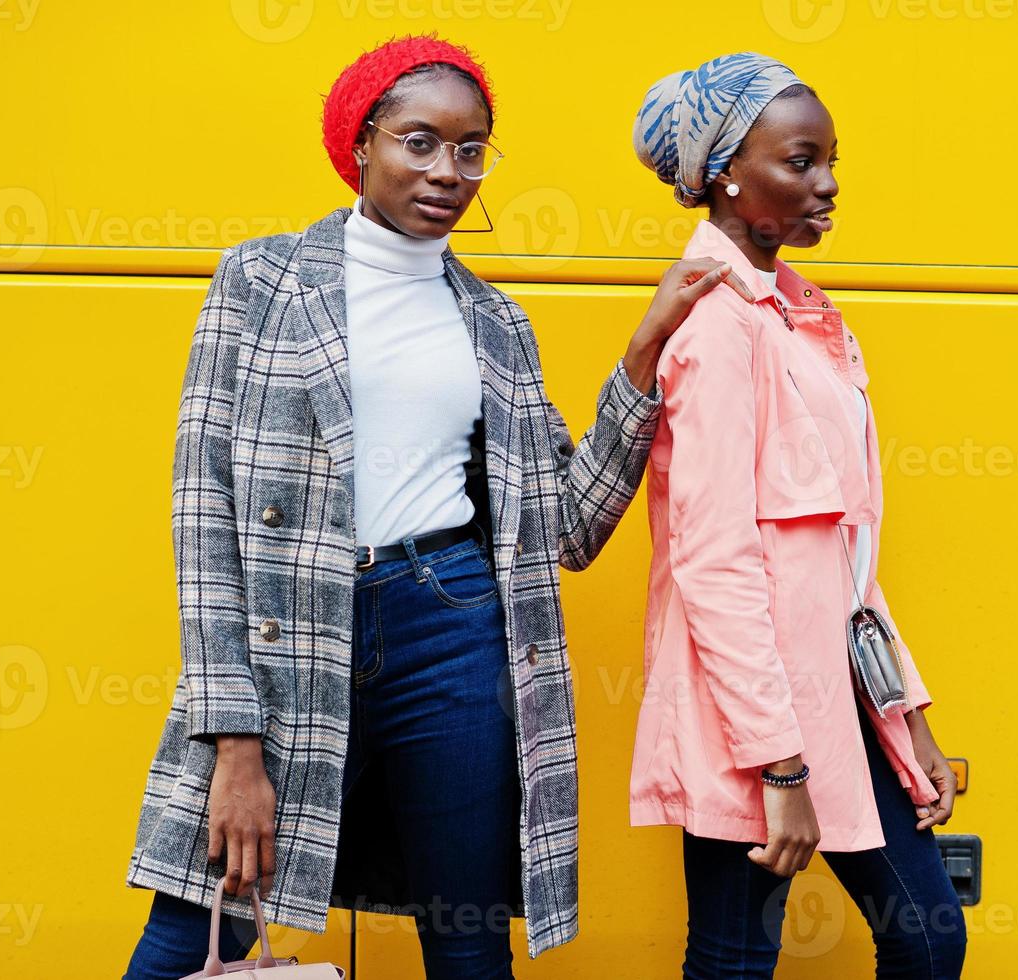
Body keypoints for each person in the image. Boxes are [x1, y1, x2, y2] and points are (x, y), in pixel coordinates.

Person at [122, 34, 752, 980]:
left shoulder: (494, 321)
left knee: (466, 939)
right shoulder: (263, 281)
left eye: (470, 149)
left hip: (452, 628)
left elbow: (567, 531)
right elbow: (202, 509)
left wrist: (642, 352)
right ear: (362, 143)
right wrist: (231, 739)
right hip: (290, 631)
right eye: (419, 142)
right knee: (198, 921)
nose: (447, 171)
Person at [628, 53, 968, 978]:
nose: (827, 187)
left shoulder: (793, 315)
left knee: (928, 933)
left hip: (835, 685)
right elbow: (713, 557)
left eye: (830, 164)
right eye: (801, 162)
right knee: (737, 956)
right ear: (727, 175)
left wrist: (907, 714)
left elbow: (841, 554)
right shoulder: (717, 324)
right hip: (753, 710)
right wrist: (777, 766)